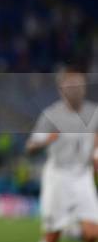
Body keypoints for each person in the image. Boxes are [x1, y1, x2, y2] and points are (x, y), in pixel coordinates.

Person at [26, 69, 98, 242]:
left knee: (93, 234)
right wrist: (46, 141)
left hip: (82, 176)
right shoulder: (51, 115)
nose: (75, 89)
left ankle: (73, 230)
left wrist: (96, 156)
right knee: (52, 235)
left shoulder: (94, 112)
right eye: (70, 86)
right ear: (61, 90)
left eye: (79, 85)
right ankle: (69, 228)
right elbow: (30, 146)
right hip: (58, 176)